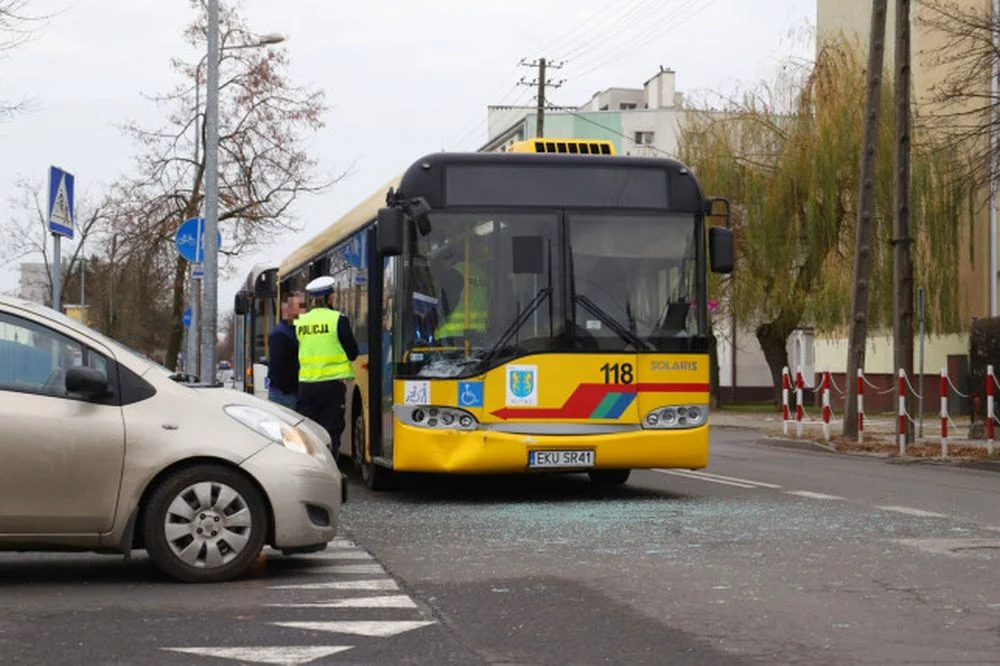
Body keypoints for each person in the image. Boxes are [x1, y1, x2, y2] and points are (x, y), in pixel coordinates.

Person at [294, 276, 359, 461]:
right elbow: (352, 352)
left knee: (309, 433)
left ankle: (310, 467)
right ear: (330, 297)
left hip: (306, 385)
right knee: (331, 431)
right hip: (332, 385)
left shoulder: (300, 322)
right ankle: (330, 471)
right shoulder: (338, 320)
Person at [267, 291, 302, 410]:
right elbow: (278, 365)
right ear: (286, 308)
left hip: (289, 392)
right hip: (285, 395)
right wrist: (288, 389)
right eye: (299, 306)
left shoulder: (292, 330)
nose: (303, 311)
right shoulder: (281, 334)